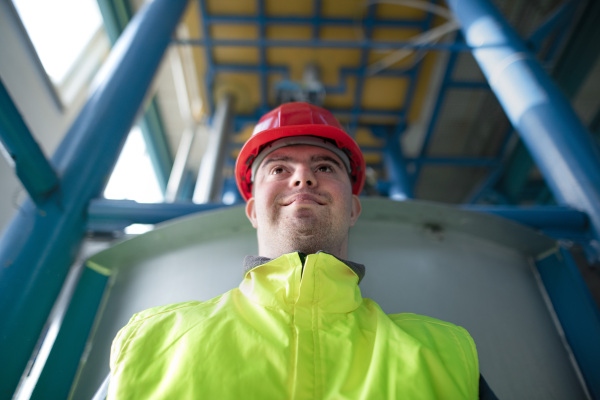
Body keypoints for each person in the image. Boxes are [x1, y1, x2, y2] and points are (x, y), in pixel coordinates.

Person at [107, 102, 496, 399]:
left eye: (326, 167)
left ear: (355, 208)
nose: (303, 176)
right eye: (278, 168)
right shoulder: (151, 341)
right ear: (253, 210)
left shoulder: (444, 352)